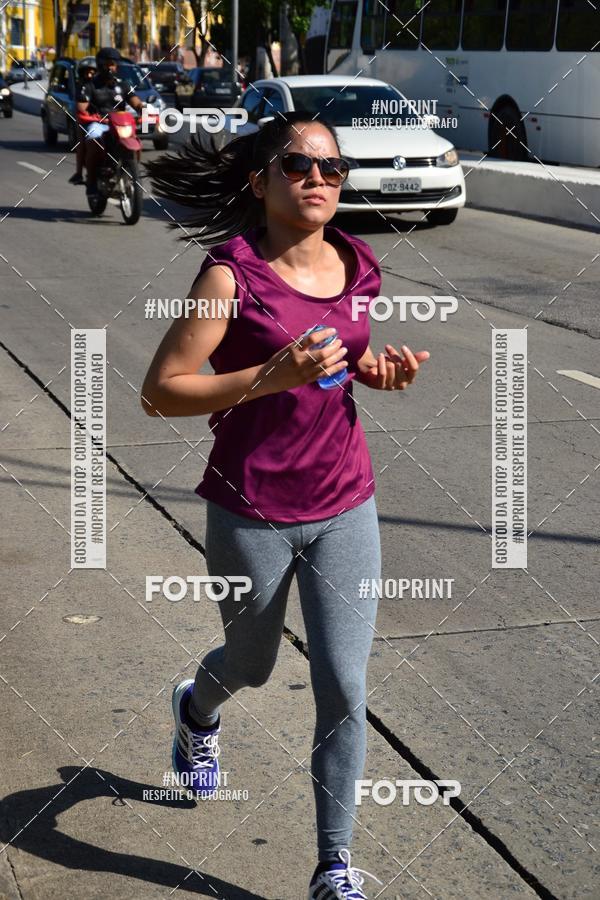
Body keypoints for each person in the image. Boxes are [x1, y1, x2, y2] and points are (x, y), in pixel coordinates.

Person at [141, 112, 430, 899]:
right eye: (298, 166)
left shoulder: (358, 265)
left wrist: (377, 375)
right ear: (259, 180)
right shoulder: (227, 277)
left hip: (346, 502)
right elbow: (159, 391)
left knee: (344, 684)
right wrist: (272, 375)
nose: (318, 181)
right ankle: (197, 711)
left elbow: (343, 357)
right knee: (252, 665)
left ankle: (333, 868)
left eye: (332, 169)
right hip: (250, 508)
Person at [76, 47, 146, 197]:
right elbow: (82, 107)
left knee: (135, 140)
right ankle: (92, 181)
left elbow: (136, 102)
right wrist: (87, 114)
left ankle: (131, 172)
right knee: (93, 139)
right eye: (107, 64)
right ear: (100, 65)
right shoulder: (90, 85)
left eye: (113, 64)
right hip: (99, 123)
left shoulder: (123, 85)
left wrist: (144, 110)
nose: (110, 67)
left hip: (120, 123)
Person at [68, 59, 97, 185]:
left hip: (107, 119)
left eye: (92, 72)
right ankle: (79, 172)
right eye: (87, 73)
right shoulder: (82, 87)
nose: (90, 75)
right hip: (88, 120)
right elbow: (82, 108)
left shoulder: (103, 85)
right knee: (82, 141)